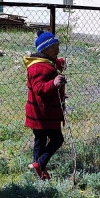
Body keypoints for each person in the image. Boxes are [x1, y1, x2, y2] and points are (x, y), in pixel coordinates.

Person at [24, 30, 66, 180]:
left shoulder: (46, 62)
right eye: (54, 47)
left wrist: (59, 63)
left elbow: (51, 66)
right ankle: (39, 166)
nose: (57, 49)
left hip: (45, 112)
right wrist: (53, 84)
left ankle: (38, 169)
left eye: (57, 46)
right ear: (45, 49)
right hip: (41, 113)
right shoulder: (37, 67)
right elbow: (39, 88)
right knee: (56, 139)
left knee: (41, 141)